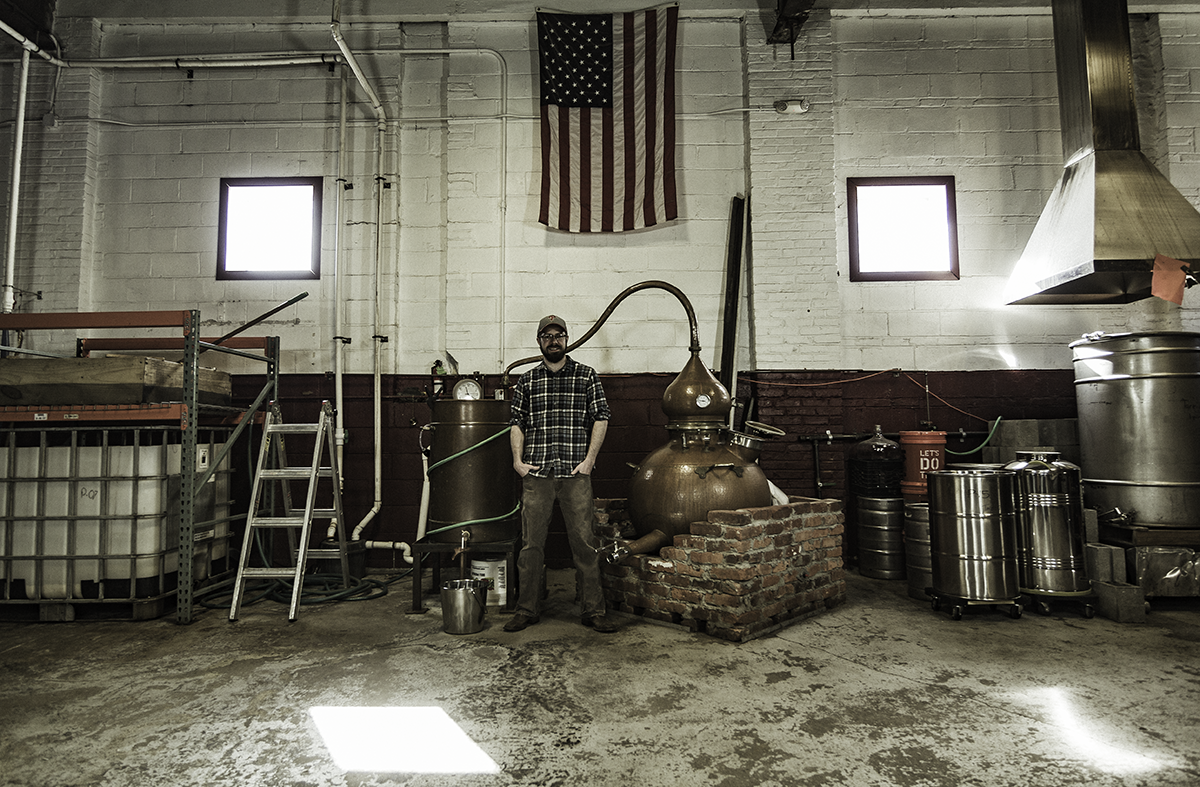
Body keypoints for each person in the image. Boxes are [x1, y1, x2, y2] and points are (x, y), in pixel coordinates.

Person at [505, 314, 617, 633]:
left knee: (584, 543)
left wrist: (589, 460)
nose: (553, 341)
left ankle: (593, 610)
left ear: (566, 340)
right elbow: (517, 423)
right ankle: (526, 609)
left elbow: (601, 417)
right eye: (546, 336)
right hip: (536, 473)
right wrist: (518, 461)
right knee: (530, 546)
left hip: (575, 472)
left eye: (559, 335)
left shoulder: (586, 376)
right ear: (539, 341)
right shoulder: (527, 381)